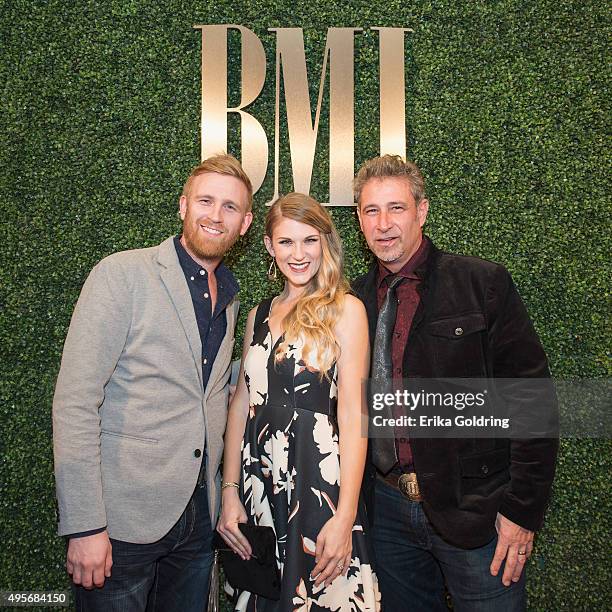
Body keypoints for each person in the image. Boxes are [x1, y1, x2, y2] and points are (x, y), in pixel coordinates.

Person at [351, 155, 558, 611]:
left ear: (422, 211)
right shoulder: (354, 302)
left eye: (397, 208)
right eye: (371, 211)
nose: (384, 224)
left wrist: (520, 512)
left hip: (477, 515)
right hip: (385, 516)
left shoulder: (481, 283)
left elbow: (532, 400)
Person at [52, 153, 253, 611]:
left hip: (197, 521)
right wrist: (85, 526)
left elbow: (210, 390)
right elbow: (76, 403)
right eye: (206, 201)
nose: (215, 215)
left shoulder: (231, 294)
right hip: (121, 523)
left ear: (244, 224)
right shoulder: (121, 275)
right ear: (183, 205)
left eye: (230, 207)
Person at [217, 193, 381, 610]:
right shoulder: (257, 314)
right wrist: (230, 490)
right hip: (258, 488)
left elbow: (353, 414)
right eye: (286, 242)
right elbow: (241, 404)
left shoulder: (346, 311)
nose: (299, 254)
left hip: (318, 485)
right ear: (270, 247)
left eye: (309, 240)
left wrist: (345, 517)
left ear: (325, 242)